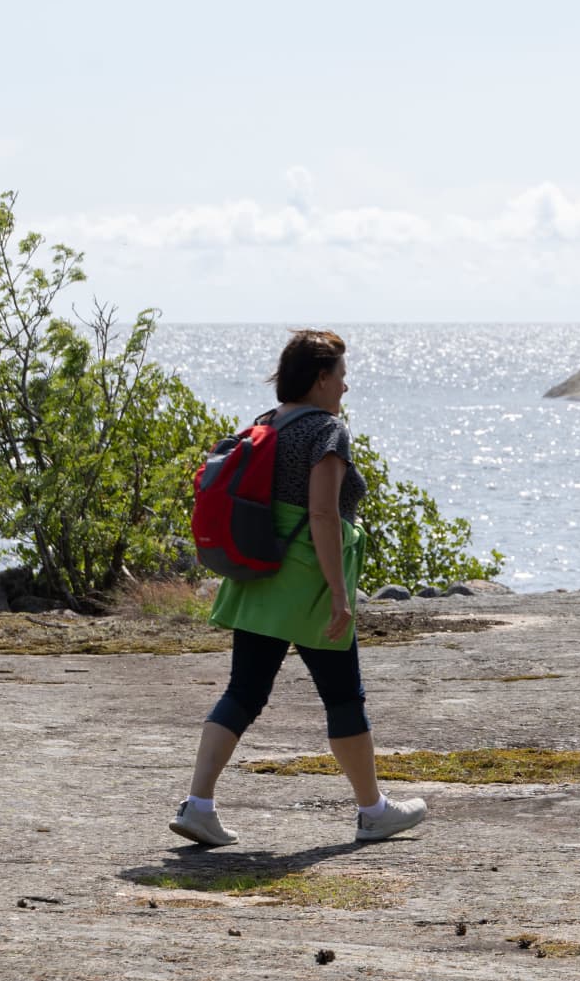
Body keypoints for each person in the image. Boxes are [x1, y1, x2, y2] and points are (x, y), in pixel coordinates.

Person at [169, 330, 430, 847]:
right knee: (343, 696)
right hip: (307, 582)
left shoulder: (268, 423)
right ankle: (372, 811)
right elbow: (322, 514)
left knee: (243, 692)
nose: (345, 387)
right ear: (320, 379)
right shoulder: (326, 432)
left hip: (260, 574)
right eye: (340, 375)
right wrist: (339, 593)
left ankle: (197, 805)